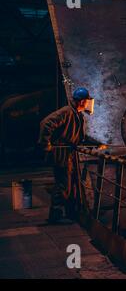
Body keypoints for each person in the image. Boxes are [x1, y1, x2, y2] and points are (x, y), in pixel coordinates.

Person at [38, 87, 95, 223]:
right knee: (63, 184)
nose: (88, 103)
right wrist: (46, 145)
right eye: (87, 101)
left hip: (69, 153)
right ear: (82, 101)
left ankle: (71, 213)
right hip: (61, 153)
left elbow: (77, 137)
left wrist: (95, 144)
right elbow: (46, 123)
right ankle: (55, 216)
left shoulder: (77, 114)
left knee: (71, 184)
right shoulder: (66, 112)